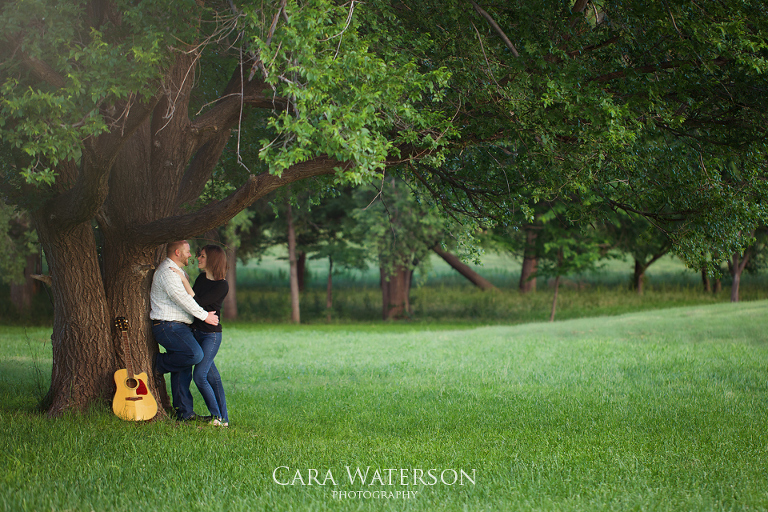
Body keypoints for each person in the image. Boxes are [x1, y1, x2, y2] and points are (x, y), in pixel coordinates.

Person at [150, 240, 218, 421]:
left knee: (183, 367)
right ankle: (158, 363)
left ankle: (185, 414)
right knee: (194, 355)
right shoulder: (167, 272)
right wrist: (205, 316)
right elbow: (183, 299)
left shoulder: (179, 272)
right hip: (167, 325)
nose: (191, 255)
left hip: (178, 326)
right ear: (177, 253)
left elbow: (192, 297)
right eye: (187, 252)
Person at [171, 244, 230, 427]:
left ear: (212, 259)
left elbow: (198, 302)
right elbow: (193, 303)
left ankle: (217, 417)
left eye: (203, 255)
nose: (199, 258)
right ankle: (224, 419)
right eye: (199, 255)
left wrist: (182, 278)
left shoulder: (222, 285)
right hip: (195, 333)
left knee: (200, 376)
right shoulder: (202, 279)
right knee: (213, 377)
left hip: (210, 336)